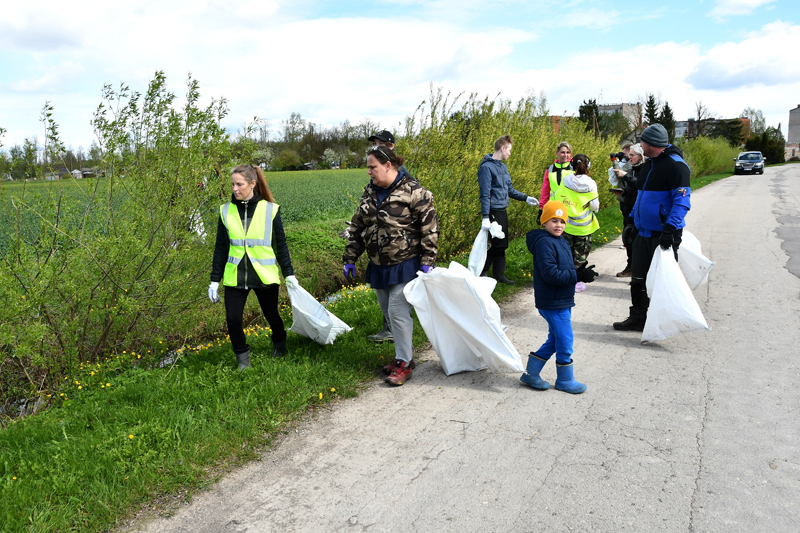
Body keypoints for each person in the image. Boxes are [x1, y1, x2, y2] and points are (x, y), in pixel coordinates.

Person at [343, 146, 439, 386]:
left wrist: (428, 261)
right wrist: (350, 258)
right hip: (378, 265)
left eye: (372, 167)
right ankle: (401, 357)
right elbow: (357, 226)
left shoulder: (414, 192)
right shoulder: (369, 192)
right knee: (388, 313)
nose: (369, 172)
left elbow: (430, 228)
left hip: (405, 263)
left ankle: (404, 363)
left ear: (388, 165)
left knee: (397, 312)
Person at [208, 164, 297, 369]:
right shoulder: (225, 211)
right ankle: (243, 362)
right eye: (232, 184)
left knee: (271, 315)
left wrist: (289, 274)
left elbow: (281, 245)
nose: (235, 189)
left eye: (239, 184)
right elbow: (221, 248)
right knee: (232, 319)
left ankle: (279, 344)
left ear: (252, 184)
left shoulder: (270, 210)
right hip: (235, 275)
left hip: (263, 274)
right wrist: (214, 280)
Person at [613, 124, 691, 331]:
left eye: (643, 142)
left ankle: (663, 322)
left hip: (663, 234)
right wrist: (631, 222)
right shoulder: (649, 165)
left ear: (652, 144)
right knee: (638, 279)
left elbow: (682, 202)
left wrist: (669, 230)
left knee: (661, 282)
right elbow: (641, 198)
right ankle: (638, 317)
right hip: (643, 232)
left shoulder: (676, 166)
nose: (640, 145)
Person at [520, 200, 587, 394]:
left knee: (556, 338)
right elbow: (551, 274)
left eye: (562, 221)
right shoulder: (544, 243)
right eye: (553, 220)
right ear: (544, 222)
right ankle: (565, 380)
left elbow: (564, 268)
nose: (559, 225)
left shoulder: (561, 241)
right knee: (565, 341)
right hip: (552, 301)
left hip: (562, 299)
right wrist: (577, 276)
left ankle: (531, 373)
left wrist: (579, 272)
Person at [359, 130, 413, 344]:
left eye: (380, 144)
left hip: (399, 253)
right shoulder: (374, 182)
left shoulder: (402, 177)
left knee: (396, 306)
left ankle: (401, 347)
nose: (376, 147)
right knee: (387, 300)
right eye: (374, 144)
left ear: (391, 147)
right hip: (380, 253)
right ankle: (391, 331)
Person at [478, 134, 539, 284]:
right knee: (499, 244)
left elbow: (510, 190)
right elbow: (485, 194)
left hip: (502, 209)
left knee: (503, 244)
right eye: (509, 150)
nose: (510, 154)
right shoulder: (486, 168)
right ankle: (482, 271)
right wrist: (485, 216)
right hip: (493, 211)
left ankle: (499, 275)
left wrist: (525, 198)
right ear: (502, 148)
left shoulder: (503, 167)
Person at [551, 154, 600, 283]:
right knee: (580, 257)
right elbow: (595, 207)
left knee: (566, 254)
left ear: (572, 165)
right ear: (588, 166)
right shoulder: (591, 184)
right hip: (584, 227)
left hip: (567, 225)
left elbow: (557, 198)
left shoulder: (566, 180)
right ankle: (576, 280)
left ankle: (566, 278)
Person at [612, 143, 646, 277]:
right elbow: (631, 187)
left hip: (638, 212)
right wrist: (623, 191)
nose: (629, 157)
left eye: (632, 155)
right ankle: (631, 267)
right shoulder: (634, 169)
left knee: (637, 243)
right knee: (628, 239)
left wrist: (625, 176)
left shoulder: (645, 170)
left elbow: (639, 185)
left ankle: (638, 271)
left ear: (640, 156)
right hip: (628, 209)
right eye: (629, 155)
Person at [538, 142, 575, 209]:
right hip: (554, 208)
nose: (565, 155)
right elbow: (545, 192)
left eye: (568, 152)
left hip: (571, 208)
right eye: (563, 152)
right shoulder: (550, 169)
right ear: (557, 153)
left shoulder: (575, 168)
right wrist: (542, 207)